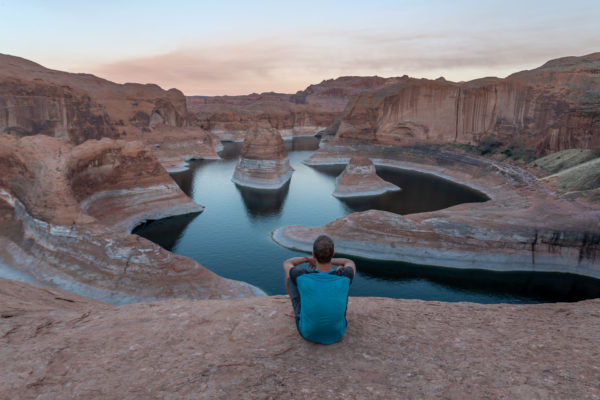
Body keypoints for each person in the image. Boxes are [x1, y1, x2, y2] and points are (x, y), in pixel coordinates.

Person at [282, 235, 356, 344]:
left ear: (314, 254)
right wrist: (330, 259)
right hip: (338, 333)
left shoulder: (302, 276)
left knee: (290, 277)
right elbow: (349, 262)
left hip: (308, 333)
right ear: (333, 253)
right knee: (341, 270)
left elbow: (287, 263)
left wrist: (307, 259)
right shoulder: (346, 275)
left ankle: (295, 311)